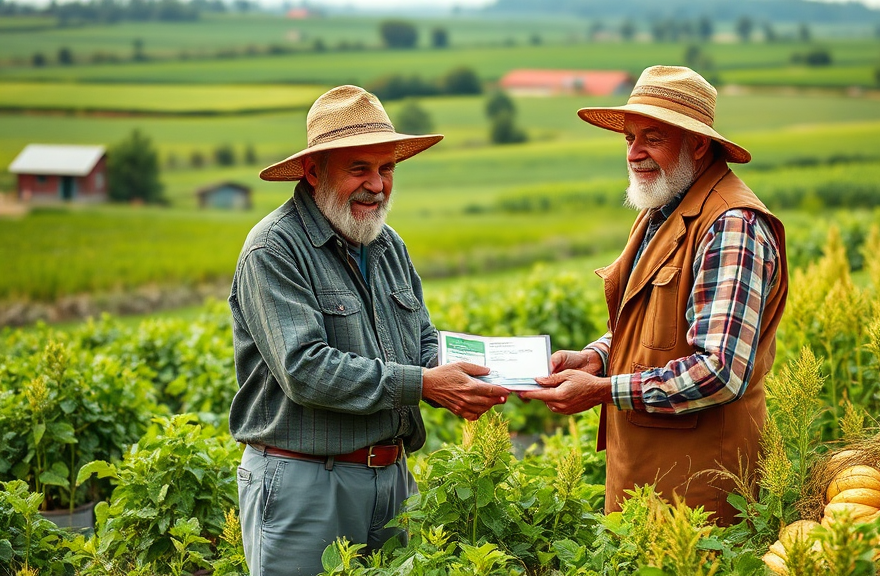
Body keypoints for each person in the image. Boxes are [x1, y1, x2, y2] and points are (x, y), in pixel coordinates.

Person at [228, 85, 509, 576]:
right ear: (315, 171)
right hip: (306, 481)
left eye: (387, 169)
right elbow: (305, 369)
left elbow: (420, 336)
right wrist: (424, 384)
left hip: (391, 478)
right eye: (359, 169)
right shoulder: (274, 249)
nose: (377, 185)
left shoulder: (386, 244)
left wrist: (468, 373)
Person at [519, 66, 789, 525]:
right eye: (629, 138)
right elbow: (648, 329)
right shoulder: (662, 209)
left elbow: (719, 371)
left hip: (702, 494)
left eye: (653, 138)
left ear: (698, 144)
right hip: (650, 479)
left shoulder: (730, 226)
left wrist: (603, 390)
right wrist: (597, 358)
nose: (635, 153)